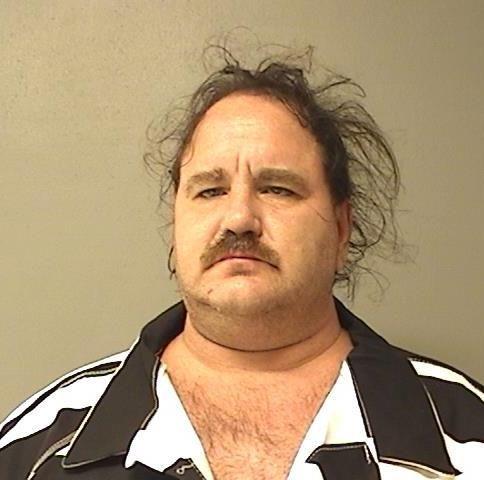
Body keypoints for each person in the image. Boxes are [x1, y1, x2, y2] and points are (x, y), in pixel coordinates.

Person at [1, 49, 483, 480]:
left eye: (277, 189)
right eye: (210, 190)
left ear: (341, 229)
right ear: (175, 224)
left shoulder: (470, 439)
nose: (239, 219)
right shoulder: (33, 451)